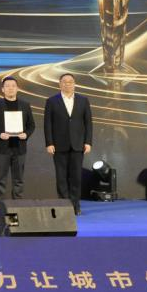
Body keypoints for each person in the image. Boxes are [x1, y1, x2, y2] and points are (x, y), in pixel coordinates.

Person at [44, 73, 93, 215]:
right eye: (64, 82)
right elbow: (48, 124)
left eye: (70, 81)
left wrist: (88, 142)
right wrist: (49, 143)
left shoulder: (83, 100)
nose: (67, 84)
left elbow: (88, 123)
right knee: (61, 177)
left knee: (76, 177)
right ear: (60, 84)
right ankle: (64, 205)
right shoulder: (52, 101)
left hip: (78, 145)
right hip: (59, 145)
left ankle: (75, 205)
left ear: (74, 84)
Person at [0, 76, 35, 203]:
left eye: (13, 86)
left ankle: (18, 204)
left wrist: (26, 134)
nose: (10, 88)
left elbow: (31, 125)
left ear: (17, 88)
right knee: (0, 179)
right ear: (2, 89)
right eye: (7, 86)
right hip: (2, 148)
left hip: (19, 147)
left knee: (19, 179)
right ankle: (0, 204)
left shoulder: (25, 105)